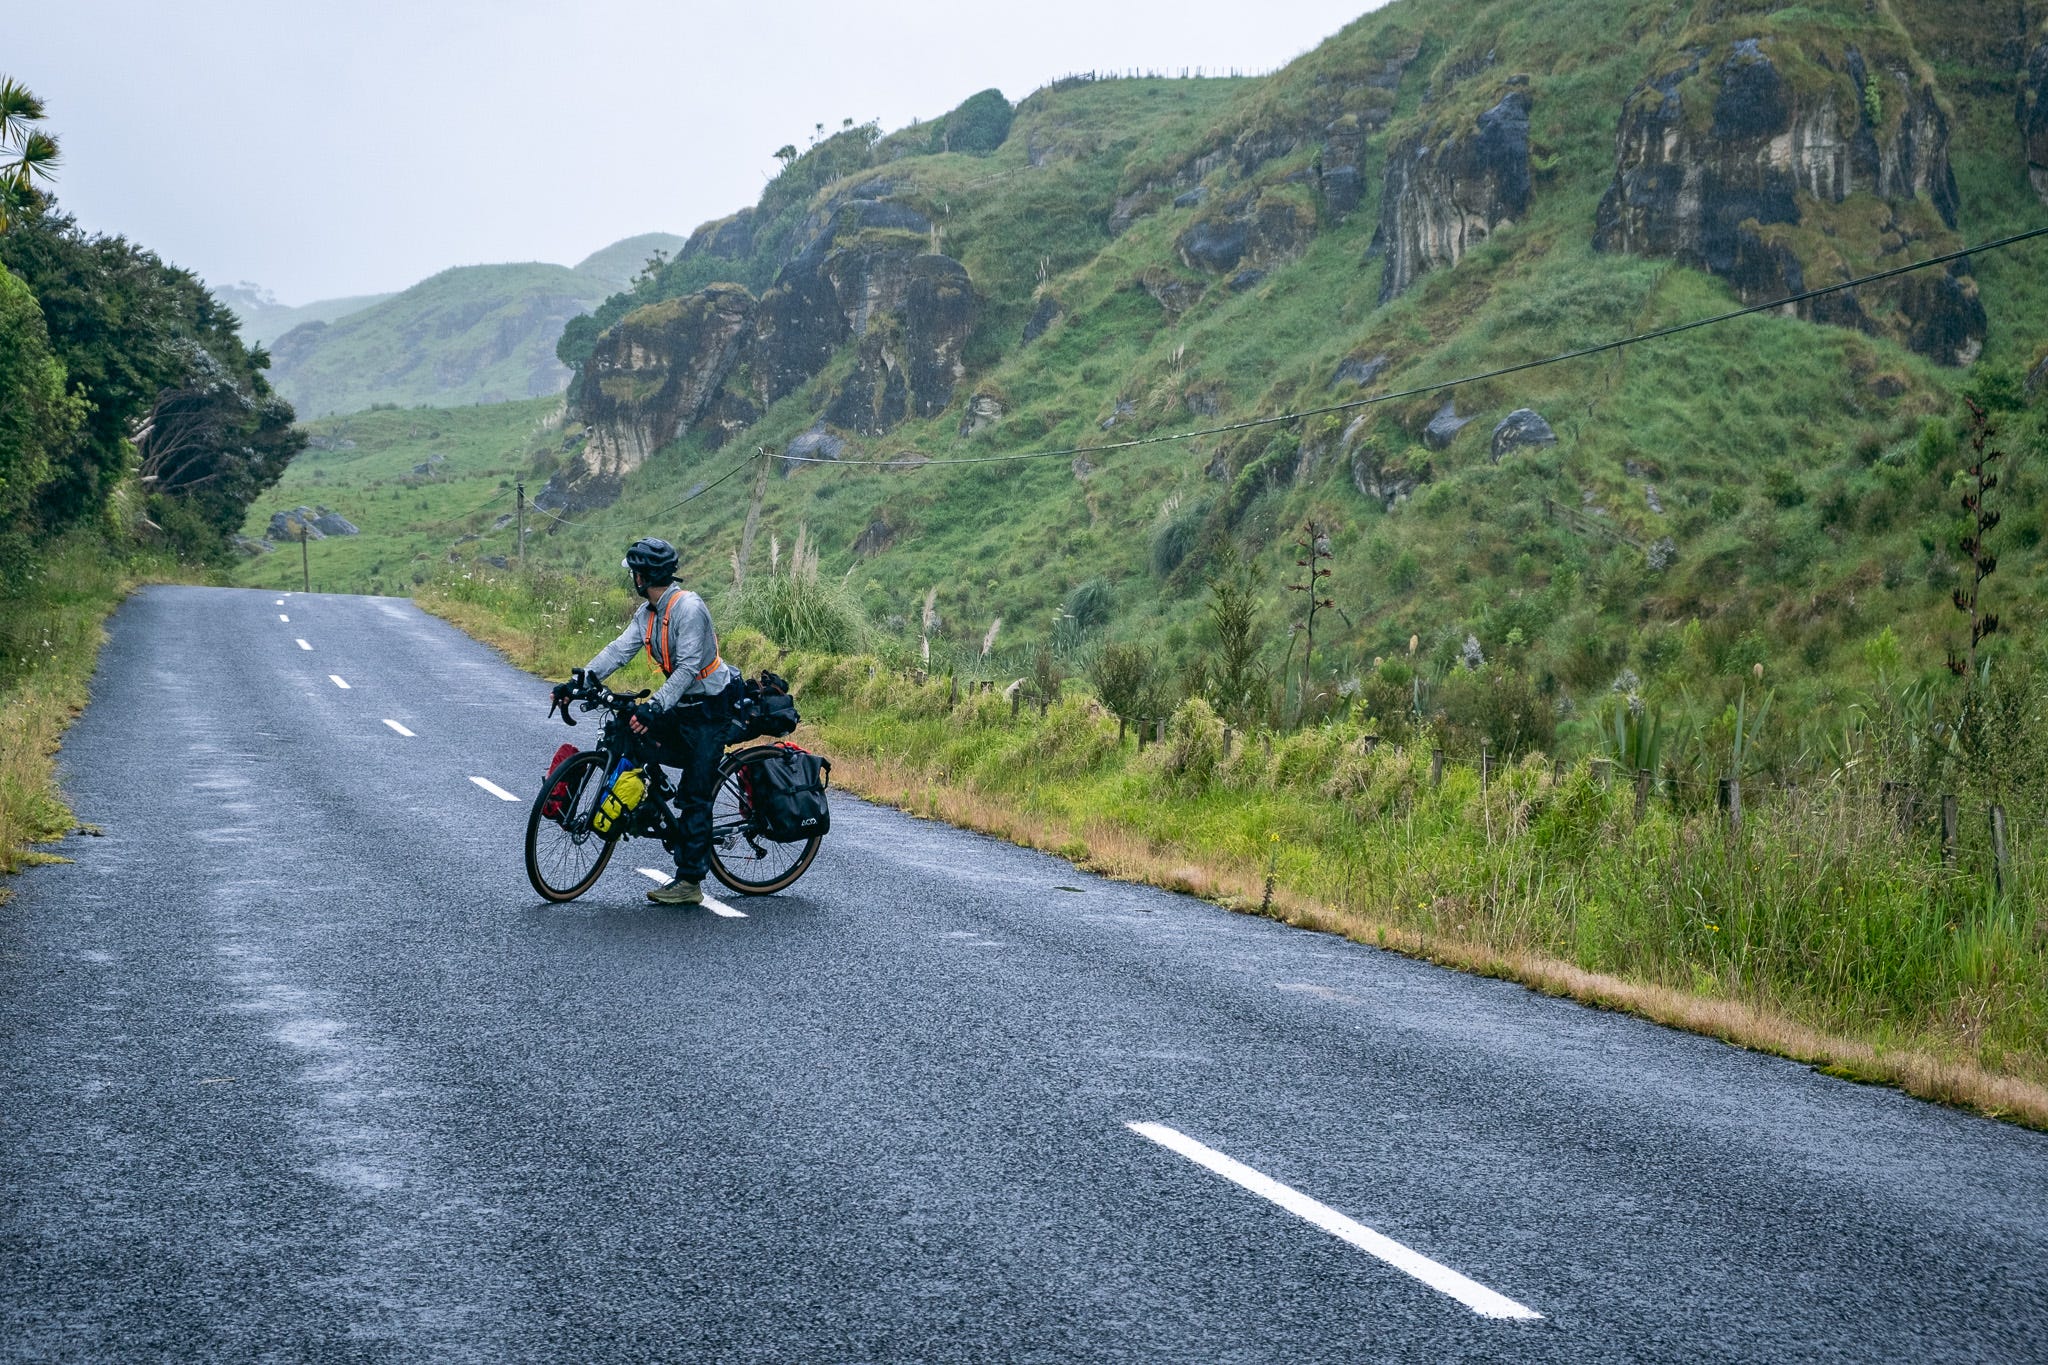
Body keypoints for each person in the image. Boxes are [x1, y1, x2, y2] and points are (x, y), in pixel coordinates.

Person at [555, 538, 740, 905]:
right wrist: (580, 682)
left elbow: (688, 668)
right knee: (627, 732)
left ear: (643, 577)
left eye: (634, 574)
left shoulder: (689, 608)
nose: (633, 579)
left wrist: (654, 706)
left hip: (712, 708)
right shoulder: (648, 613)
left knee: (695, 793)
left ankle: (690, 883)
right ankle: (648, 805)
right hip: (683, 704)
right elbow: (618, 650)